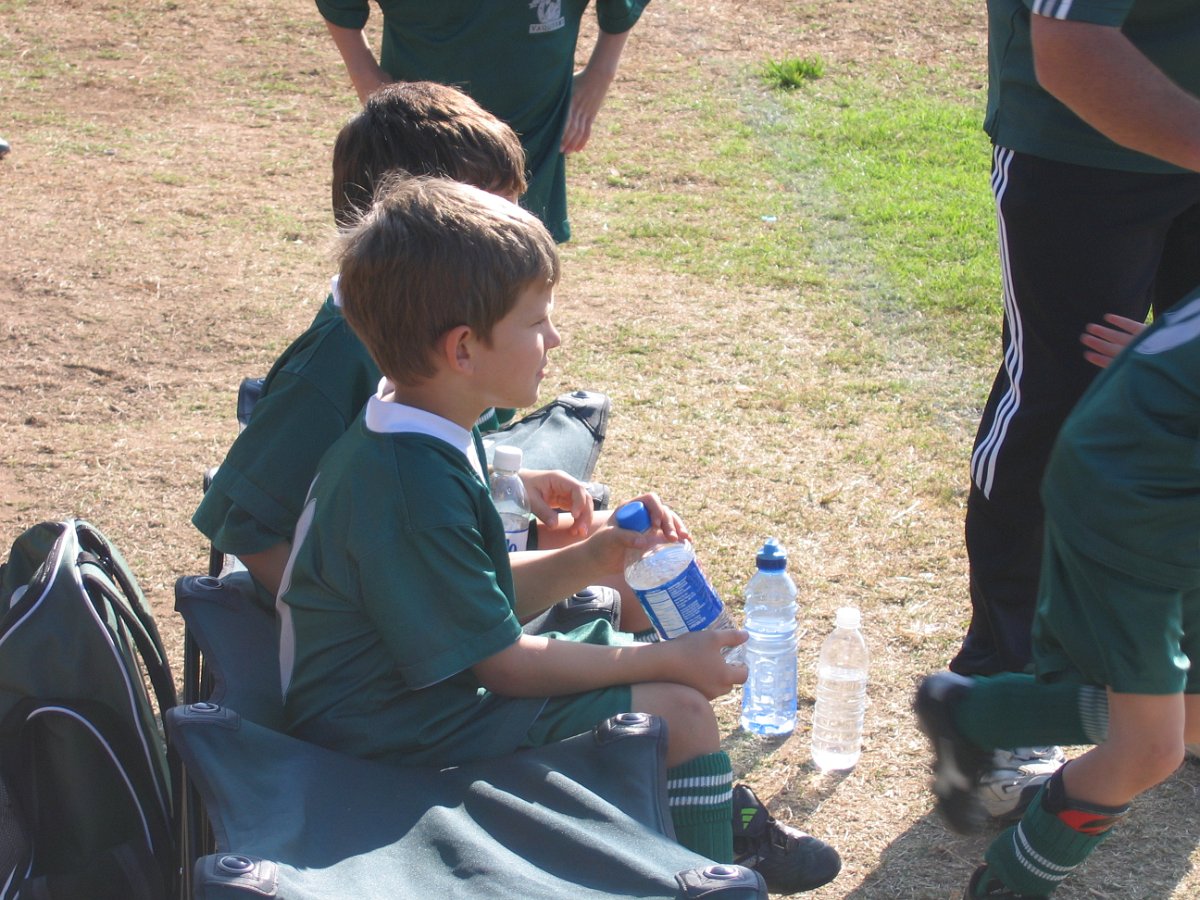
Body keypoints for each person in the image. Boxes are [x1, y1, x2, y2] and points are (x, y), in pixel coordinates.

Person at [276, 175, 842, 895]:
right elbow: (503, 665)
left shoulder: (421, 425)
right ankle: (710, 877)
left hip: (405, 695)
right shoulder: (412, 484)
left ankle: (678, 845)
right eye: (537, 321)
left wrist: (595, 556)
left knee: (633, 646)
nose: (554, 337)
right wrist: (665, 660)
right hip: (381, 733)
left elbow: (470, 597)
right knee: (679, 712)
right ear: (463, 349)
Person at [193, 82, 636, 625]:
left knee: (640, 552)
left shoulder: (425, 329)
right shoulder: (338, 358)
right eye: (490, 213)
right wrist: (361, 621)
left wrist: (508, 484)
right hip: (403, 613)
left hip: (439, 548)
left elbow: (423, 464)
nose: (515, 229)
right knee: (631, 580)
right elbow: (242, 521)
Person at [951, 0, 1200, 820]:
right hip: (1084, 150)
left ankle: (1183, 690)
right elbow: (1068, 47)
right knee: (1060, 403)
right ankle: (1006, 688)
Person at [916, 282, 1200, 899]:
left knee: (1190, 714)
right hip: (1137, 498)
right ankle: (1008, 886)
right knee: (1150, 749)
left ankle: (975, 712)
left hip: (1153, 468)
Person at [314, 0, 650, 242]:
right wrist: (365, 76)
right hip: (419, 132)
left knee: (518, 259)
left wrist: (601, 73)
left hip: (530, 123)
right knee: (415, 261)